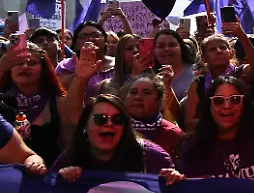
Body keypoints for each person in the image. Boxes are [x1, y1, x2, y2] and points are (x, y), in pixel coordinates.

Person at [52, 94, 183, 184]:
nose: (109, 124)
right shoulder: (70, 157)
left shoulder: (153, 156)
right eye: (100, 119)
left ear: (125, 127)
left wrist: (174, 179)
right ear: (85, 126)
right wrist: (59, 178)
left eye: (117, 120)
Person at [176, 76, 254, 181]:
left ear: (244, 103)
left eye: (235, 99)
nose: (227, 106)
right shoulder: (193, 143)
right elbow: (195, 190)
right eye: (218, 100)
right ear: (209, 106)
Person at [0, 42, 72, 163]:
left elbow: (68, 145)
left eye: (32, 63)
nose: (24, 67)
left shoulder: (59, 101)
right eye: (18, 63)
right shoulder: (1, 100)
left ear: (43, 69)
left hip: (47, 174)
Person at [183, 28, 254, 129]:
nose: (218, 51)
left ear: (231, 53)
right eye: (212, 49)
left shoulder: (241, 73)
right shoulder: (198, 84)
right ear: (203, 58)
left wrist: (241, 35)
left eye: (223, 48)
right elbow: (189, 122)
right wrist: (221, 123)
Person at [120, 74, 185, 157]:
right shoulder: (114, 127)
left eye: (146, 93)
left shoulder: (174, 135)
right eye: (133, 92)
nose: (138, 97)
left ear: (159, 101)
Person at [55, 22, 115, 97]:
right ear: (76, 44)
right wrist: (79, 75)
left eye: (95, 35)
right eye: (83, 37)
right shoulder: (65, 66)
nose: (90, 39)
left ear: (105, 41)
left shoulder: (118, 64)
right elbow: (58, 90)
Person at [153, 29, 196, 101]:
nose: (166, 49)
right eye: (160, 46)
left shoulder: (196, 72)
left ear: (181, 48)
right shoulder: (149, 76)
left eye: (172, 45)